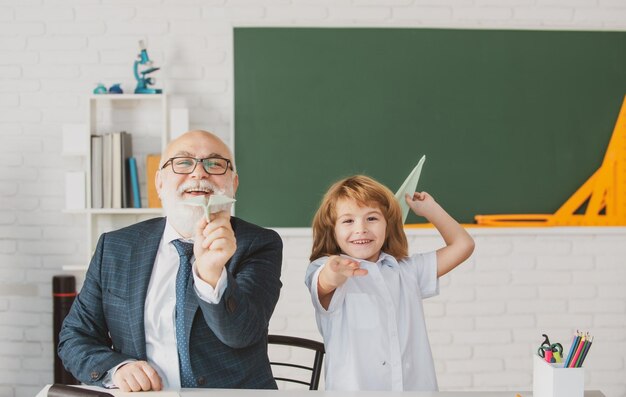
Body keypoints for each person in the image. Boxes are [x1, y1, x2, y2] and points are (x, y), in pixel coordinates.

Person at [59, 130, 283, 391]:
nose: (199, 173)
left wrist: (210, 273)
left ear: (233, 184)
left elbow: (241, 334)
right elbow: (75, 337)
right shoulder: (115, 247)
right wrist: (117, 368)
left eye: (215, 163)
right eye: (183, 162)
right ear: (160, 183)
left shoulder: (259, 244)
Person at [304, 175, 474, 391]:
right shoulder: (325, 268)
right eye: (348, 220)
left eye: (372, 218)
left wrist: (431, 210)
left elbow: (463, 245)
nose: (361, 228)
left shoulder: (407, 271)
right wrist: (334, 270)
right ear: (332, 230)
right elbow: (326, 280)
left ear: (388, 225)